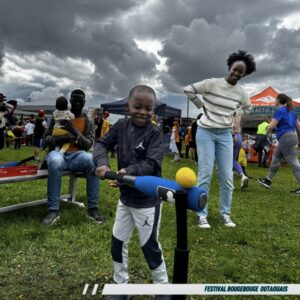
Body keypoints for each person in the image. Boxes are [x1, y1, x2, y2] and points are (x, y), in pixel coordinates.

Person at [93, 85, 169, 295]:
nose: (142, 112)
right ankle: (121, 286)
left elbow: (152, 164)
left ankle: (162, 288)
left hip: (147, 202)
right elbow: (101, 144)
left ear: (154, 110)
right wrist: (102, 163)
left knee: (149, 246)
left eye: (148, 108)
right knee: (117, 242)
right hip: (125, 200)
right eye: (137, 106)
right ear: (128, 105)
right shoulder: (120, 126)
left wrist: (127, 173)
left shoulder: (155, 132)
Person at [184, 50, 256, 229]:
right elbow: (189, 90)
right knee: (205, 173)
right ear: (229, 67)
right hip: (205, 132)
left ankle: (225, 214)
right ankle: (202, 213)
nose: (236, 73)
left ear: (244, 74)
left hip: (225, 134)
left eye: (241, 72)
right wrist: (201, 106)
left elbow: (248, 109)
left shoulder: (240, 92)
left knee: (227, 176)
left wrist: (234, 113)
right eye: (235, 69)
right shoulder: (211, 83)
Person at [42, 89, 103, 225]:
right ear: (70, 101)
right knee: (56, 162)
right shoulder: (57, 116)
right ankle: (53, 210)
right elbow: (45, 138)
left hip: (77, 156)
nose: (77, 102)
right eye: (74, 99)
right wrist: (63, 138)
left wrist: (73, 130)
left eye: (80, 100)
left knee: (93, 161)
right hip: (58, 154)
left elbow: (88, 145)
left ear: (84, 102)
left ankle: (93, 208)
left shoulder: (88, 121)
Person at [258, 94, 300, 194]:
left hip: (285, 138)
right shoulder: (292, 112)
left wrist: (266, 132)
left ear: (278, 100)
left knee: (294, 162)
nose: (274, 101)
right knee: (276, 159)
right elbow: (298, 128)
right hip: (289, 138)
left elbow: (271, 126)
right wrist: (299, 140)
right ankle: (268, 180)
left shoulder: (280, 110)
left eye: (275, 99)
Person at [232, 112, 249, 188]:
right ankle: (243, 176)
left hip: (231, 136)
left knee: (226, 161)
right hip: (239, 137)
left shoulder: (227, 115)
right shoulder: (238, 117)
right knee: (233, 160)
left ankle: (230, 183)